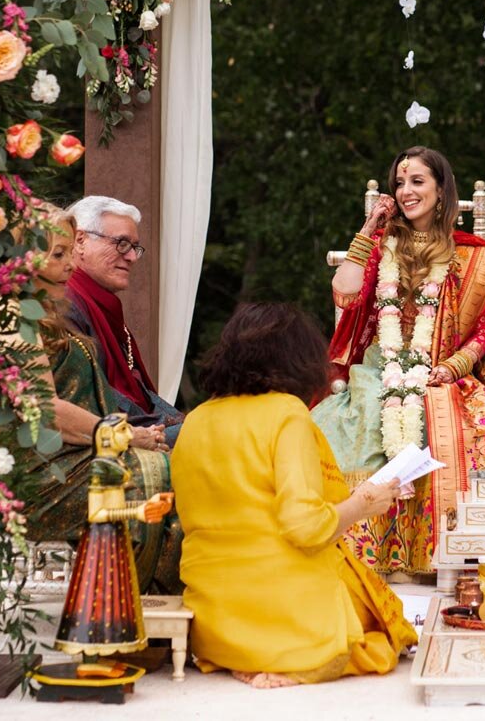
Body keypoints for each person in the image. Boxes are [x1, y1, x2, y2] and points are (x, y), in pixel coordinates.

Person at [314, 146, 485, 575]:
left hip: (445, 372)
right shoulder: (382, 246)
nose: (406, 191)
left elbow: (482, 335)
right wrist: (368, 228)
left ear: (441, 189)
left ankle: (448, 552)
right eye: (400, 183)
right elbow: (344, 293)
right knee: (349, 426)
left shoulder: (472, 256)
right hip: (381, 369)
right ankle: (371, 555)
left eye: (417, 181)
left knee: (465, 426)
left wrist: (452, 367)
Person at [171, 302, 416, 688]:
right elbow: (306, 528)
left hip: (213, 626)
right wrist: (366, 503)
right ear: (298, 360)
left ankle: (246, 655)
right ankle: (292, 661)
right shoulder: (286, 413)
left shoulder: (197, 418)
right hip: (290, 622)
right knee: (387, 624)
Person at [24, 207, 182, 594]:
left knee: (189, 468)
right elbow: (46, 411)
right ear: (22, 259)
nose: (67, 265)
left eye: (67, 252)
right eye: (57, 254)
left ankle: (160, 607)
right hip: (47, 474)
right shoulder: (17, 319)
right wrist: (125, 435)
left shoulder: (50, 312)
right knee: (173, 477)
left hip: (83, 455)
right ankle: (137, 604)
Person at [65, 195, 183, 448]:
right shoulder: (65, 303)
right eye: (121, 243)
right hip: (106, 439)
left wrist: (180, 420)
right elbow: (93, 394)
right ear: (80, 240)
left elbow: (138, 392)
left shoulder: (104, 307)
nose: (132, 257)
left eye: (134, 247)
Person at [53, 413, 174, 657]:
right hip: (101, 544)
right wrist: (138, 510)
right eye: (123, 431)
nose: (129, 434)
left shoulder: (114, 464)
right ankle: (107, 650)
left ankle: (158, 630)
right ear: (107, 438)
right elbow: (98, 512)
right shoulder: (101, 467)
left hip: (112, 539)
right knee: (102, 600)